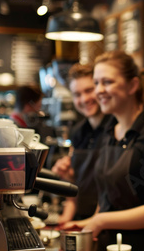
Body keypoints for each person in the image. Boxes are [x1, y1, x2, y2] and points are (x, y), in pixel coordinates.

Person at [62, 51, 144, 251]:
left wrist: (100, 221)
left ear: (132, 85)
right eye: (96, 83)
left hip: (142, 244)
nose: (99, 90)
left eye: (107, 82)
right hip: (108, 243)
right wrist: (87, 222)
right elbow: (107, 197)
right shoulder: (110, 131)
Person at [52, 63, 113, 223]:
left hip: (106, 221)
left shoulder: (116, 128)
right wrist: (64, 220)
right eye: (77, 94)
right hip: (82, 218)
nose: (84, 99)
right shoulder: (77, 131)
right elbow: (75, 187)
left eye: (88, 90)